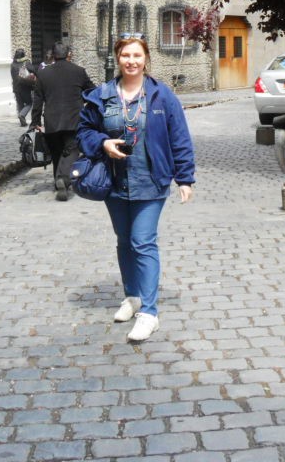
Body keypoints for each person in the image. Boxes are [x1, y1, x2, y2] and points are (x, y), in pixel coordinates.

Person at [76, 35, 195, 342]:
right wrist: (103, 142)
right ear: (118, 58)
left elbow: (179, 136)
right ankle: (133, 297)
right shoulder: (102, 95)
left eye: (137, 56)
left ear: (146, 59)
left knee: (142, 242)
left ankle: (149, 314)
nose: (131, 61)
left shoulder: (161, 95)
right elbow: (84, 131)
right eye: (126, 55)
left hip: (151, 180)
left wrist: (184, 178)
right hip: (115, 181)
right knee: (124, 241)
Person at [31, 42, 95, 201]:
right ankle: (63, 179)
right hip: (73, 119)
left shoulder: (43, 74)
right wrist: (83, 102)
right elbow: (92, 91)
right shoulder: (78, 71)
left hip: (51, 120)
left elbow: (37, 100)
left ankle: (58, 182)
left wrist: (35, 121)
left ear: (53, 56)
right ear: (69, 55)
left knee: (56, 152)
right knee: (72, 150)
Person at [10, 48, 35, 126]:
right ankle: (22, 115)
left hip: (16, 88)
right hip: (25, 87)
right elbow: (33, 71)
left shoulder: (13, 64)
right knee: (29, 103)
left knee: (20, 104)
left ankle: (22, 121)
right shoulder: (26, 62)